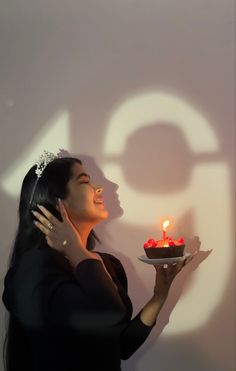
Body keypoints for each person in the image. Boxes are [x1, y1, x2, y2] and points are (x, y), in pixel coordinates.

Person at [2, 150, 194, 371]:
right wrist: (74, 248)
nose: (100, 188)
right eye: (85, 181)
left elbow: (121, 345)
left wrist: (160, 293)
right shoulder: (33, 271)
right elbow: (107, 315)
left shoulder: (108, 264)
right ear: (58, 203)